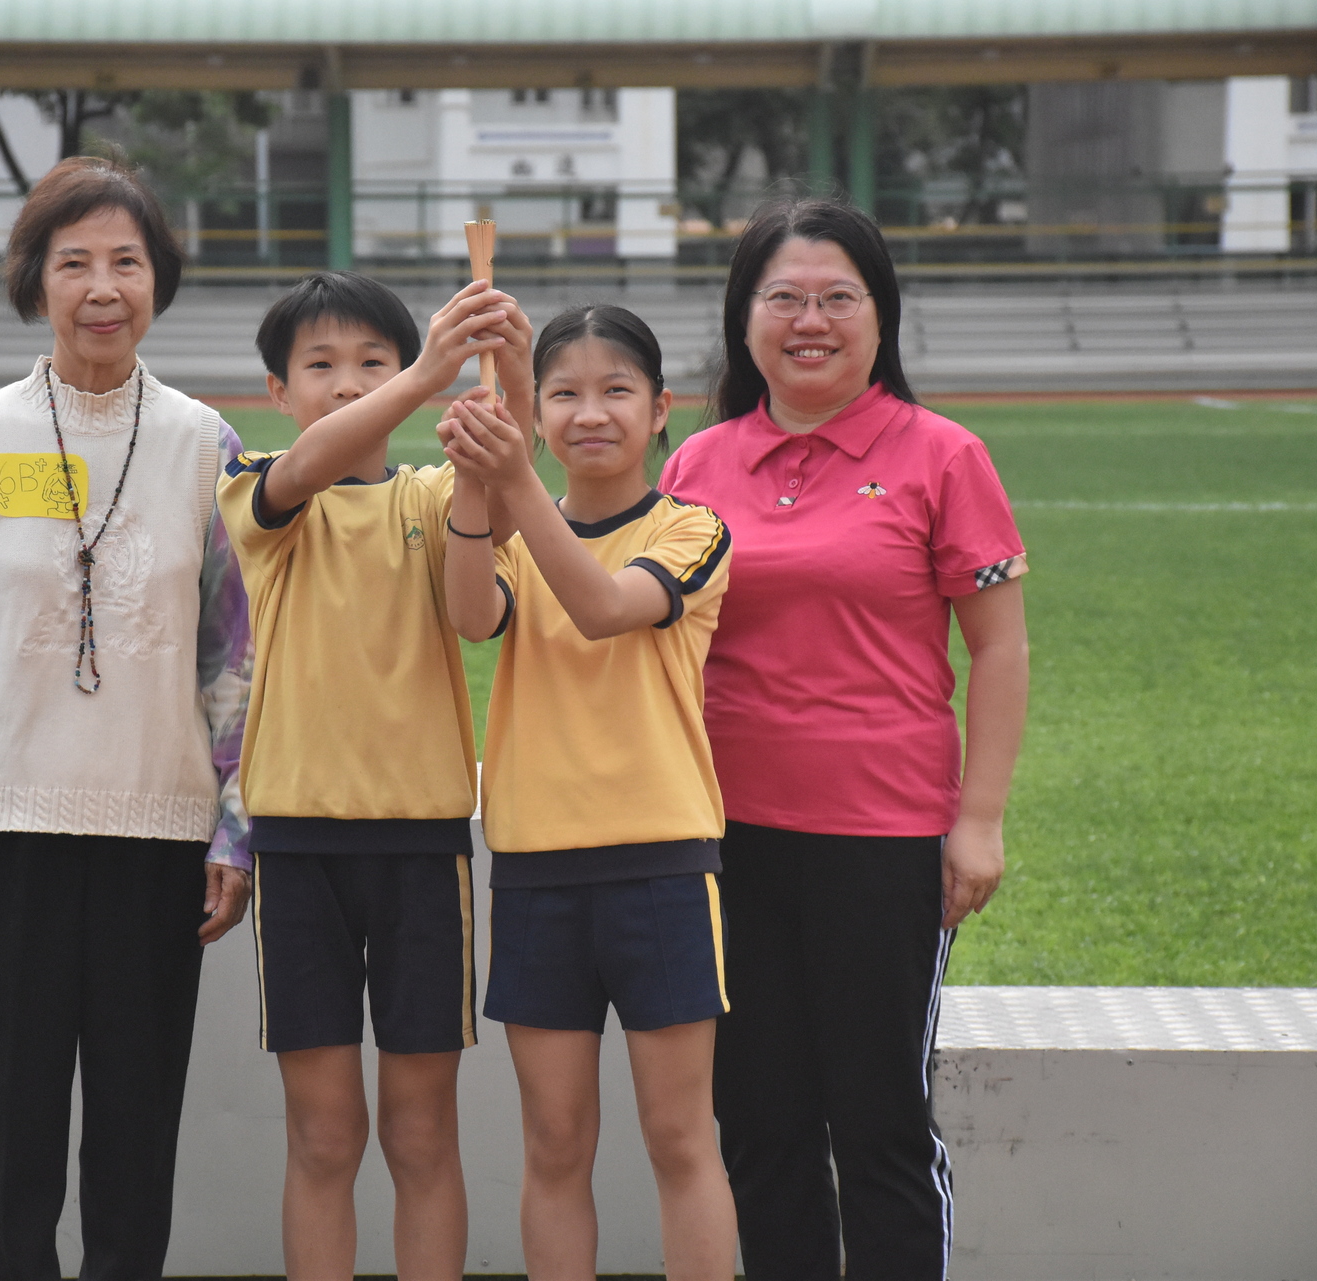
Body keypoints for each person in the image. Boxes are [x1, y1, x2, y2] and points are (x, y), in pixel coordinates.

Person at [0, 155, 254, 1281]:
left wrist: (235, 824)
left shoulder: (207, 448)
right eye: (74, 262)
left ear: (159, 280)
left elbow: (232, 658)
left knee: (137, 1148)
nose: (103, 288)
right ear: (35, 279)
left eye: (126, 263)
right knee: (11, 1144)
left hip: (158, 837)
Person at [659, 198, 1031, 1280]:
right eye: (783, 298)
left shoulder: (943, 455)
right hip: (720, 839)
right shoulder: (698, 464)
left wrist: (979, 821)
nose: (809, 321)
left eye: (836, 298)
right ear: (744, 317)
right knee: (758, 1121)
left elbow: (999, 649)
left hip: (884, 840)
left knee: (878, 1122)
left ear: (880, 315)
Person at [217, 270, 531, 1281]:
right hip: (298, 848)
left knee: (421, 1132)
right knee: (323, 1134)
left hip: (422, 847)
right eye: (321, 365)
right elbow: (311, 464)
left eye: (372, 362)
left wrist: (513, 376)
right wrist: (428, 375)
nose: (349, 383)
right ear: (277, 390)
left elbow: (504, 506)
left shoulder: (434, 495)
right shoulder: (258, 487)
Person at [439, 305, 738, 1281]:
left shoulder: (692, 529)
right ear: (538, 413)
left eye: (617, 390)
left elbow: (605, 607)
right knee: (555, 1142)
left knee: (679, 1137)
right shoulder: (516, 523)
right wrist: (477, 482)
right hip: (536, 871)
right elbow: (469, 613)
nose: (591, 412)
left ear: (661, 409)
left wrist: (515, 478)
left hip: (662, 869)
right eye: (563, 392)